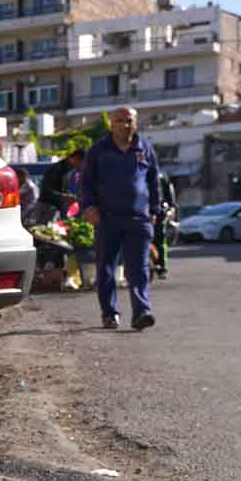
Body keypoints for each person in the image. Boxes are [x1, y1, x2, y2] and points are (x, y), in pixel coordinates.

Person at [80, 106, 160, 331]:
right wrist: (88, 207)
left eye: (129, 121)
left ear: (136, 123)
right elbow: (86, 183)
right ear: (110, 124)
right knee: (106, 267)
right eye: (119, 121)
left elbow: (153, 181)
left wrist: (154, 210)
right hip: (107, 218)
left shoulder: (145, 149)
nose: (125, 125)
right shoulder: (98, 150)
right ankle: (109, 313)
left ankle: (141, 311)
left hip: (139, 219)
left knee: (139, 268)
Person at [39, 149, 86, 221]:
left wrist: (69, 196)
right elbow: (46, 190)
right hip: (46, 208)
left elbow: (62, 188)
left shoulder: (69, 169)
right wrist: (64, 197)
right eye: (82, 162)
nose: (82, 166)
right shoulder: (58, 168)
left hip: (56, 208)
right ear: (76, 158)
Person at [153, 171, 178, 278]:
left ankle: (162, 267)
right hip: (142, 211)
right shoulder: (138, 171)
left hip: (159, 212)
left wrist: (172, 208)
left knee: (160, 238)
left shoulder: (161, 176)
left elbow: (169, 193)